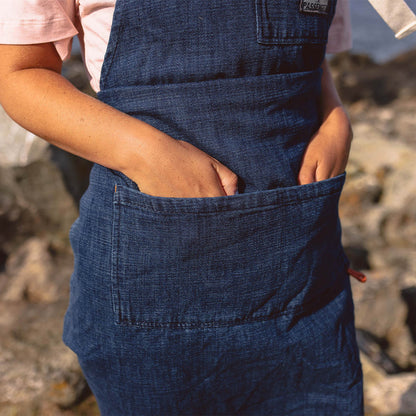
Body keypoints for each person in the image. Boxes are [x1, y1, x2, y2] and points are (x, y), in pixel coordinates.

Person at [0, 0, 363, 414]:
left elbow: (302, 53)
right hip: (156, 287)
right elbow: (20, 72)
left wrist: (334, 115)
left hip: (307, 279)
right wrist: (148, 155)